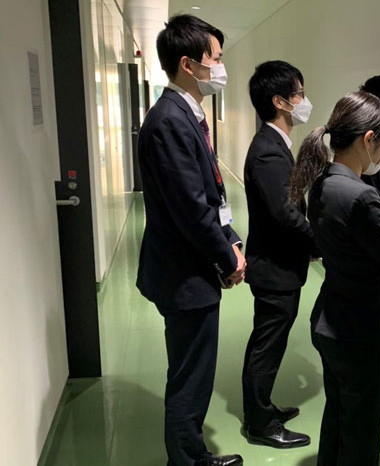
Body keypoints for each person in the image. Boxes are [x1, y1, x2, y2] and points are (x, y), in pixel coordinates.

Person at [288, 91, 380, 466]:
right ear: (369, 139)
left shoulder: (324, 182)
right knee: (363, 433)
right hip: (364, 333)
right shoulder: (361, 195)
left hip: (333, 320)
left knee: (339, 416)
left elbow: (360, 240)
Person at [136, 14, 244, 466]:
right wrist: (228, 260)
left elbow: (210, 194)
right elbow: (192, 210)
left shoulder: (186, 115)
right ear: (188, 64)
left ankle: (190, 452)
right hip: (183, 275)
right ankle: (186, 459)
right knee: (191, 375)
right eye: (215, 58)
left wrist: (231, 240)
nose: (220, 67)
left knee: (194, 370)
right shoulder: (169, 121)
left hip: (191, 267)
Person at [240, 60, 316, 449]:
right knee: (266, 346)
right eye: (300, 93)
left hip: (280, 266)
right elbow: (285, 214)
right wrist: (319, 243)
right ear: (279, 102)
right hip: (274, 268)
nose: (305, 100)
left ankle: (263, 406)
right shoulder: (268, 152)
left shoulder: (276, 146)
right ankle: (259, 423)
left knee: (270, 342)